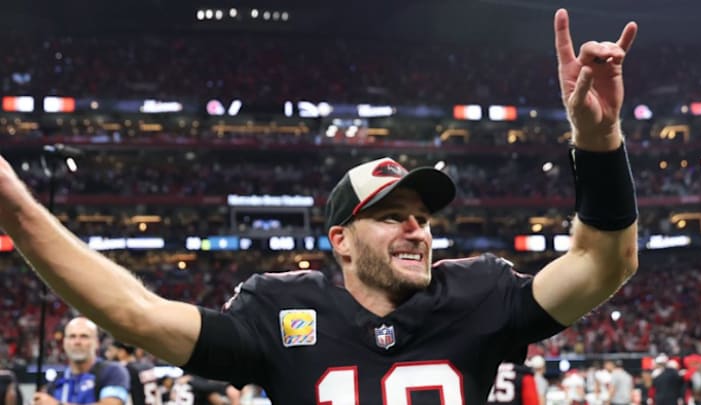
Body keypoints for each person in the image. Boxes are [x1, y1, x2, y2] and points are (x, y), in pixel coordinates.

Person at [0, 8, 639, 405]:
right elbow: (133, 312)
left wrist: (598, 138)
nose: (417, 229)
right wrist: (18, 212)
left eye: (422, 216)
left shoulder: (477, 292)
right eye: (391, 216)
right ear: (340, 239)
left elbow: (604, 261)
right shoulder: (281, 312)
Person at [33, 317, 130, 405]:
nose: (77, 342)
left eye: (84, 336)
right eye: (72, 336)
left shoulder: (113, 372)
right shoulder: (57, 383)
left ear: (96, 343)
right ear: (64, 343)